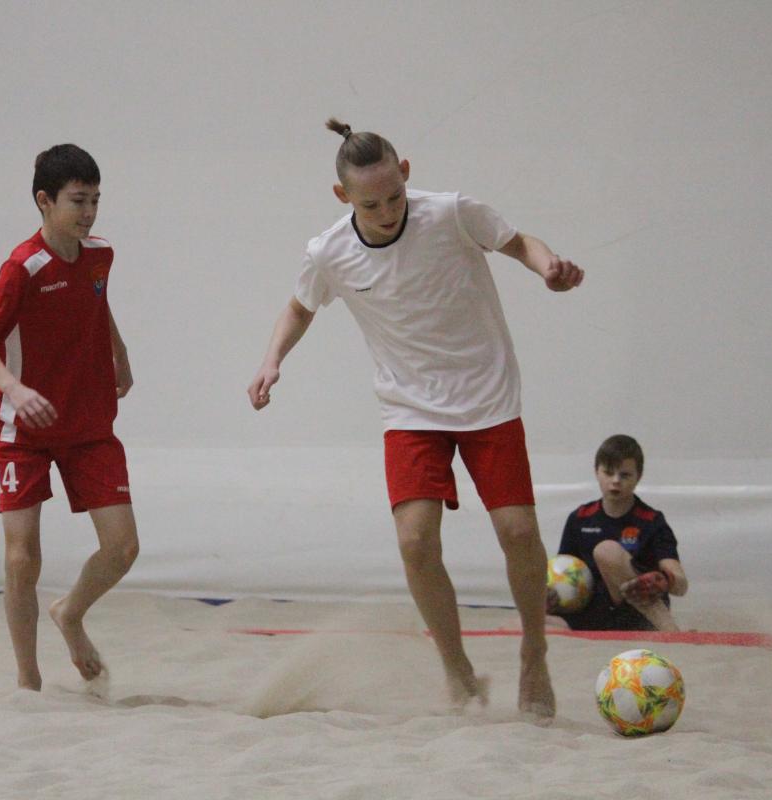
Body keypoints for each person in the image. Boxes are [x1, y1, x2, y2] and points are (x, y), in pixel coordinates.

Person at [247, 119, 584, 720]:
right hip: (409, 407)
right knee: (414, 540)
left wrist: (547, 266)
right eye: (369, 203)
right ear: (342, 196)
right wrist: (273, 360)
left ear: (406, 173)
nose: (385, 212)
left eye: (394, 196)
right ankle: (457, 669)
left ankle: (534, 652)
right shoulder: (328, 251)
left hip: (487, 395)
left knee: (516, 532)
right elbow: (299, 308)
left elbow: (517, 242)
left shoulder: (452, 212)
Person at [0, 144, 139, 690]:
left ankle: (71, 613)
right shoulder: (23, 267)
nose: (89, 213)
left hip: (88, 424)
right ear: (45, 201)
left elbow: (97, 300)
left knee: (123, 548)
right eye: (78, 201)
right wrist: (13, 388)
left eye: (96, 200)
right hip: (24, 432)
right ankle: (28, 681)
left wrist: (120, 353)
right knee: (22, 560)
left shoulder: (100, 254)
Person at [547, 434, 688, 632]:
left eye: (624, 475)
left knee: (606, 551)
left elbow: (681, 585)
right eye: (608, 472)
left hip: (634, 614)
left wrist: (666, 580)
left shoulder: (651, 521)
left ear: (638, 476)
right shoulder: (579, 518)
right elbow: (563, 569)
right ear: (596, 472)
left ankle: (669, 630)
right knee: (520, 624)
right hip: (592, 613)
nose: (615, 481)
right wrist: (550, 594)